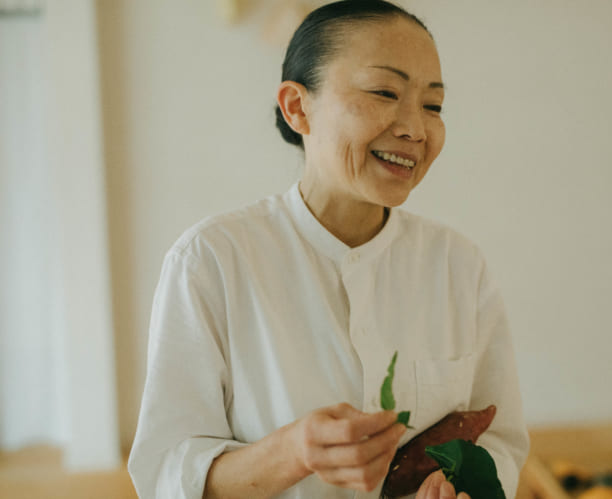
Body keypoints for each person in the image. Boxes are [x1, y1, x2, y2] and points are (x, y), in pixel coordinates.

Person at [127, 1, 529, 498]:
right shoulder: (211, 261)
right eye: (385, 92)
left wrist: (465, 489)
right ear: (298, 107)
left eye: (433, 105)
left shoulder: (458, 266)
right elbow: (166, 475)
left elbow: (500, 443)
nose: (416, 129)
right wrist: (293, 452)